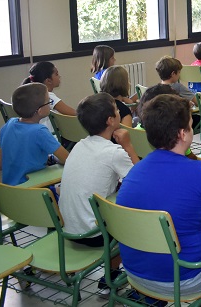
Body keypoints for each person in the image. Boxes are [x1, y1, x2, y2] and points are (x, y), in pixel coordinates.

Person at [117, 95, 201, 300]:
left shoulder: (134, 173)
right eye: (191, 126)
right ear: (183, 134)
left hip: (136, 274)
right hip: (187, 278)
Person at [59, 93, 139, 296]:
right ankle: (110, 279)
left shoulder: (78, 146)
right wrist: (128, 146)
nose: (119, 111)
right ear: (111, 121)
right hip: (95, 235)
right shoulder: (114, 153)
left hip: (70, 228)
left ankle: (110, 276)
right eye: (116, 109)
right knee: (136, 219)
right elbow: (140, 181)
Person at [0, 83, 69, 186]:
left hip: (10, 192)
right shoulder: (40, 131)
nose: (50, 104)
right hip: (35, 191)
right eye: (48, 101)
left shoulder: (9, 124)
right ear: (39, 111)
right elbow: (68, 160)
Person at [22, 61, 76, 134]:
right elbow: (73, 113)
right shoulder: (47, 96)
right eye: (56, 74)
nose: (59, 76)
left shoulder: (33, 93)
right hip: (52, 135)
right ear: (48, 81)